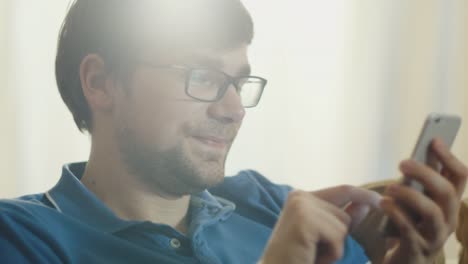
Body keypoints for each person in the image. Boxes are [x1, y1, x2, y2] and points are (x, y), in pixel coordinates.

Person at [1, 0, 466, 263]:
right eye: (202, 76)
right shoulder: (23, 238)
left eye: (239, 82)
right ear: (101, 83)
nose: (233, 109)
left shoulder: (272, 204)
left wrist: (415, 258)